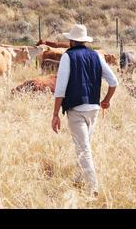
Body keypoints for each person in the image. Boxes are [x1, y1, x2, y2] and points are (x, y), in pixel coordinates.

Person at [51, 24, 118, 197]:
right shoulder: (96, 55)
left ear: (71, 41)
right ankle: (78, 180)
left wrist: (55, 114)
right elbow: (114, 82)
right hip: (94, 108)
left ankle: (93, 189)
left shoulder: (68, 57)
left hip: (76, 110)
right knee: (84, 145)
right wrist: (106, 101)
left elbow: (60, 89)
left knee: (83, 149)